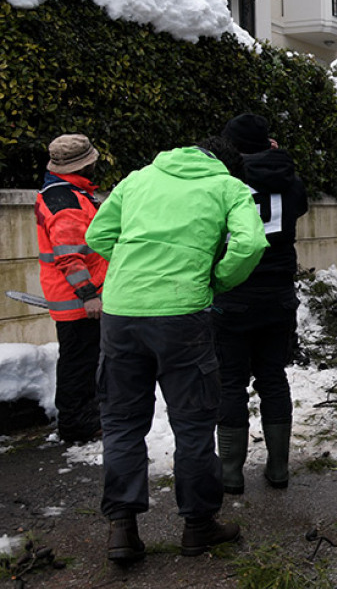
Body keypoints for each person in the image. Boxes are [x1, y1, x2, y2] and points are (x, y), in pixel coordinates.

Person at [85, 136, 268, 564]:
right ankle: (197, 527)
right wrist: (216, 279)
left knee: (122, 423)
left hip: (121, 313)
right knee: (193, 426)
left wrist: (136, 271)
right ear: (227, 165)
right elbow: (251, 244)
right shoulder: (228, 187)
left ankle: (122, 529)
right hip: (183, 316)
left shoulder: (137, 179)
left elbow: (98, 235)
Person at [214, 114, 309, 494]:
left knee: (231, 381)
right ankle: (279, 467)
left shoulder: (225, 182)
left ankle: (231, 473)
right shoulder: (291, 180)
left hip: (234, 292)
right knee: (272, 376)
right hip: (279, 293)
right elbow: (298, 208)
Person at [35, 134, 108, 443]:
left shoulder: (65, 193)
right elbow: (69, 255)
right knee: (79, 364)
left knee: (80, 360)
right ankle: (78, 425)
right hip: (78, 299)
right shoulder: (66, 200)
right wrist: (89, 295)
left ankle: (81, 419)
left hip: (73, 296)